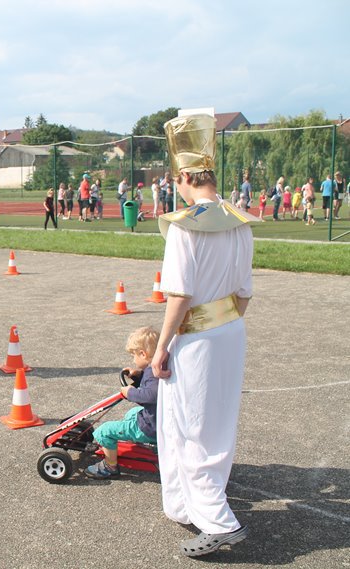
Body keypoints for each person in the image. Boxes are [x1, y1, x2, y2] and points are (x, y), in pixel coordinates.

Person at [152, 113, 259, 557]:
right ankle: (185, 504)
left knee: (193, 425)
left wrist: (161, 347)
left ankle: (218, 521)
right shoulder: (239, 220)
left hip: (195, 337)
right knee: (211, 421)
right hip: (230, 330)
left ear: (183, 177)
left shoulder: (184, 225)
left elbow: (179, 294)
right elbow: (245, 292)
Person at [85, 326, 159, 479]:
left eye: (134, 355)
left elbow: (151, 394)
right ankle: (138, 442)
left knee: (102, 431)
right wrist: (138, 375)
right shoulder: (157, 368)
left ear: (143, 354)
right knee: (131, 413)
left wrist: (130, 392)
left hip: (150, 426)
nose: (133, 359)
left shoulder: (153, 374)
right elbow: (151, 384)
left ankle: (110, 466)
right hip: (156, 419)